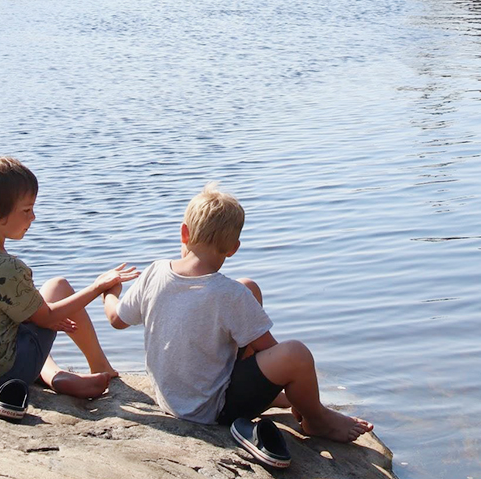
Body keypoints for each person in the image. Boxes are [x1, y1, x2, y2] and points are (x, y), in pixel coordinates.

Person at [102, 182, 373, 442]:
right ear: (233, 248)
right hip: (211, 411)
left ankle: (282, 397)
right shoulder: (228, 294)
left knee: (249, 288)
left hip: (169, 398)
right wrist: (293, 383)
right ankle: (317, 420)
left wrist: (110, 292)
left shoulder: (155, 271)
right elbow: (268, 350)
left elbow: (116, 319)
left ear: (185, 233)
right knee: (296, 355)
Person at [0, 156, 138, 398]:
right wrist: (98, 287)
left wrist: (40, 317)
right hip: (0, 373)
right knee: (60, 288)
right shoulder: (6, 267)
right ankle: (99, 366)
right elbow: (48, 317)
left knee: (44, 301)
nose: (33, 217)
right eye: (26, 210)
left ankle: (53, 375)